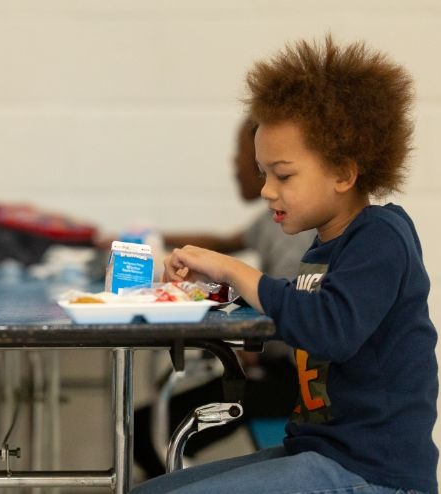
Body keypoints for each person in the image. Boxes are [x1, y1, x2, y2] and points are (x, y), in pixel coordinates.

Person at [134, 35, 438, 494]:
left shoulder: (381, 237)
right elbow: (295, 307)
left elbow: (329, 327)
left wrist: (236, 270)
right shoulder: (323, 250)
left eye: (284, 174)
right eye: (263, 173)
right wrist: (215, 291)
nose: (267, 191)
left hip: (373, 476)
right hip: (320, 455)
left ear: (343, 172)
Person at [133, 118, 311, 477]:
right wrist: (153, 237)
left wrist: (250, 342)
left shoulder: (299, 233)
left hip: (288, 382)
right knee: (146, 427)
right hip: (271, 371)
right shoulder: (270, 221)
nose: (234, 164)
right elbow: (225, 242)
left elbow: (283, 306)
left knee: (144, 432)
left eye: (244, 157)